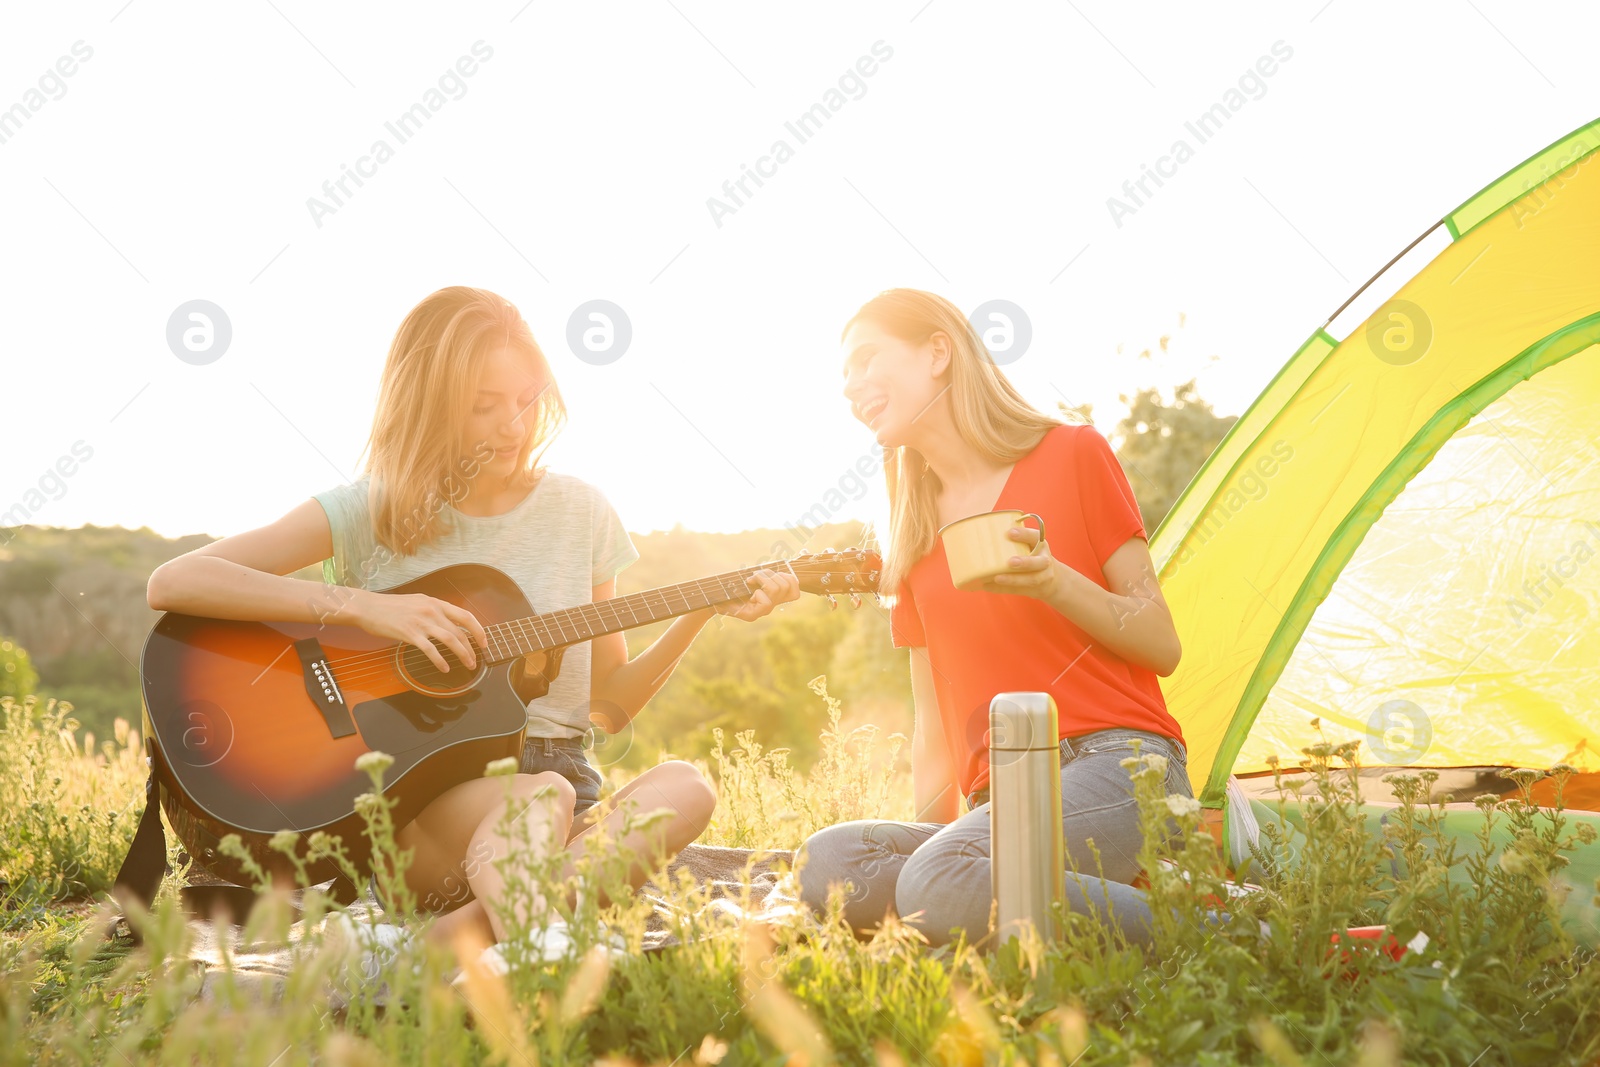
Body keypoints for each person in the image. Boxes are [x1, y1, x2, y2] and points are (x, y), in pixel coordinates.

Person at [146, 285, 798, 971]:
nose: (513, 425)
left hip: (563, 780)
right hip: (423, 812)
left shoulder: (582, 511)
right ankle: (541, 942)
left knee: (684, 787)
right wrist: (366, 608)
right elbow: (176, 581)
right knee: (536, 798)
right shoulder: (371, 509)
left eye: (525, 400)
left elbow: (610, 703)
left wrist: (696, 610)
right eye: (485, 405)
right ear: (428, 402)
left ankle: (450, 941)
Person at [795, 288, 1192, 949]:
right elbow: (932, 727)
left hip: (1121, 765)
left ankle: (1227, 928)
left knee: (938, 878)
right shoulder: (914, 534)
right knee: (829, 863)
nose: (852, 386)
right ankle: (1002, 904)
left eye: (867, 359)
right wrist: (940, 847)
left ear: (938, 352)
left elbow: (1161, 641)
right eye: (843, 375)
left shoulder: (1073, 453)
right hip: (997, 804)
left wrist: (1054, 581)